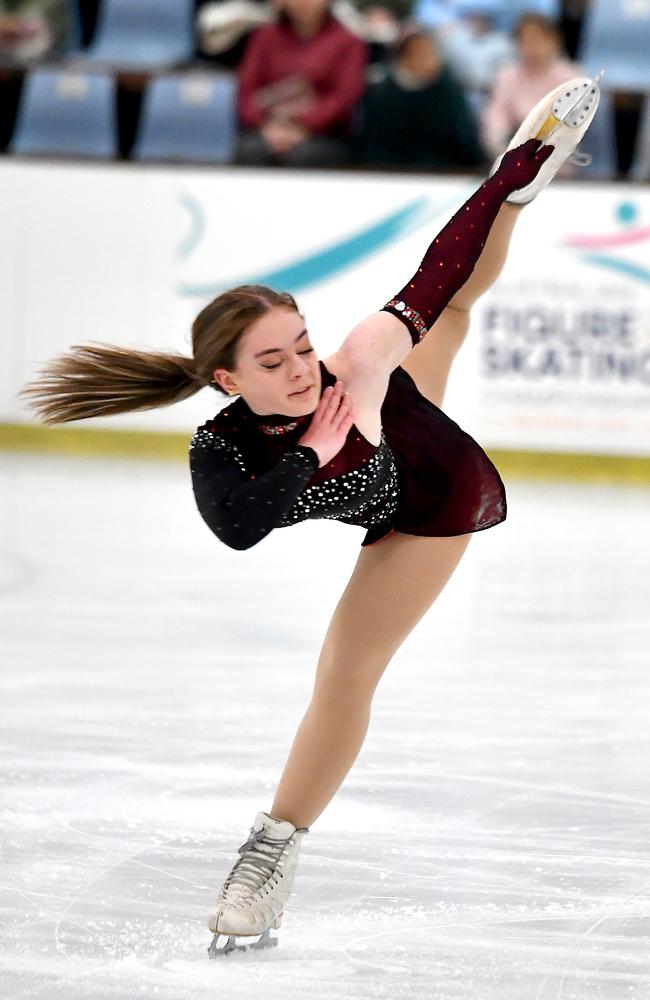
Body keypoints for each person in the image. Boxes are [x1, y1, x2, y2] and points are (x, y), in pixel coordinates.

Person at [21, 77, 600, 958]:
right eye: (272, 360)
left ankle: (267, 856)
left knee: (344, 669)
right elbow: (239, 527)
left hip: (429, 488)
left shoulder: (356, 364)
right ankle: (510, 189)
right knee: (447, 322)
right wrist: (308, 456)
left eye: (301, 345)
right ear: (228, 381)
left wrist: (492, 193)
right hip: (369, 453)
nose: (299, 369)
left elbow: (436, 270)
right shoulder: (224, 448)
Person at [235, 0, 367, 167]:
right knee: (250, 151)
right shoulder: (264, 37)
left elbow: (344, 97)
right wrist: (264, 124)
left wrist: (304, 125)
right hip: (267, 127)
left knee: (305, 156)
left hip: (324, 135)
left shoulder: (349, 41)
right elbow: (246, 90)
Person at [358, 27, 486, 171]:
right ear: (404, 58)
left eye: (432, 53)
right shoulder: (381, 94)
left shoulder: (449, 90)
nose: (430, 60)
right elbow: (370, 145)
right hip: (387, 172)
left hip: (444, 171)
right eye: (421, 54)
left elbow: (466, 140)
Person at [481, 12, 582, 160]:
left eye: (538, 40)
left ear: (555, 41)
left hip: (558, 159)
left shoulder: (572, 78)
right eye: (525, 41)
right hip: (512, 156)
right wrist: (501, 142)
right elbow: (496, 116)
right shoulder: (507, 76)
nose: (532, 47)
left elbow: (573, 125)